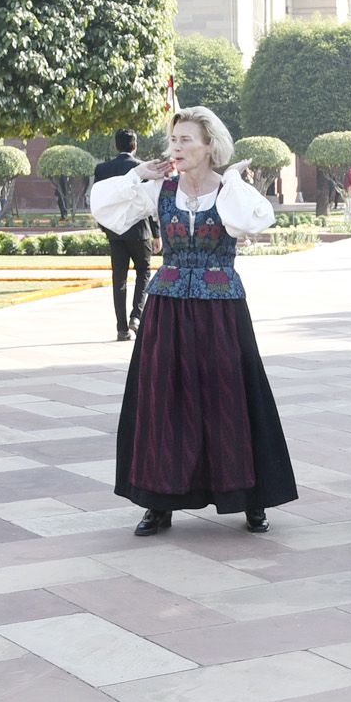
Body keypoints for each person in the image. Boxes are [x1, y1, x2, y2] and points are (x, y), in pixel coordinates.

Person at [92, 106, 299, 537]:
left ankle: (249, 497)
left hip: (220, 309)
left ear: (209, 146)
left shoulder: (229, 190)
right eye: (173, 140)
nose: (176, 147)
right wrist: (138, 175)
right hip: (167, 308)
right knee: (162, 401)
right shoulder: (159, 190)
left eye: (186, 140)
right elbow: (104, 207)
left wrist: (233, 182)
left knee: (230, 398)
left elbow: (255, 219)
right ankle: (158, 501)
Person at [94, 131, 153, 340]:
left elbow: (98, 200)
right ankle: (136, 316)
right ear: (135, 146)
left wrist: (105, 227)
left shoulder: (103, 169)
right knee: (143, 272)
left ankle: (121, 329)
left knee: (119, 278)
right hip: (139, 230)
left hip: (115, 232)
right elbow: (150, 201)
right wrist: (157, 233)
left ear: (116, 146)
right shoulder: (142, 168)